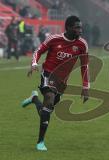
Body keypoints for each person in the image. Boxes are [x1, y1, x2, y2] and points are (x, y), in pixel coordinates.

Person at [21, 15, 90, 151]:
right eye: (77, 27)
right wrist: (34, 63)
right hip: (48, 74)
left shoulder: (82, 45)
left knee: (46, 110)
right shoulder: (54, 39)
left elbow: (85, 66)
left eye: (81, 27)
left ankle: (34, 99)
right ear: (69, 27)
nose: (80, 30)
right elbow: (38, 50)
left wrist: (86, 86)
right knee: (49, 99)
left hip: (62, 82)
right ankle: (40, 142)